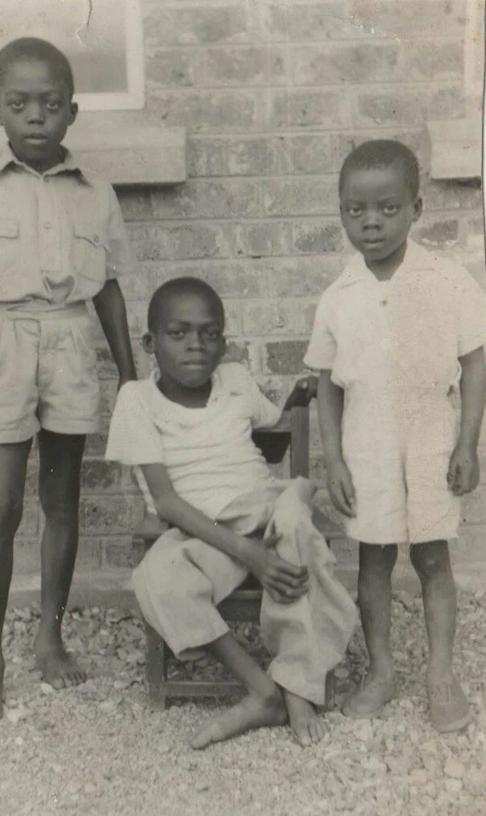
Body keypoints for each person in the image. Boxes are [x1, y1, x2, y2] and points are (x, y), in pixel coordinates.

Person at [0, 38, 137, 724]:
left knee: (62, 499)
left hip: (69, 343)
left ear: (72, 111)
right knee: (2, 507)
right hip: (1, 344)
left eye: (50, 104)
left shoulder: (96, 193)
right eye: (19, 104)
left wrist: (130, 376)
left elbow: (108, 291)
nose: (35, 116)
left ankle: (50, 636)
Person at [106, 277, 357, 750]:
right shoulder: (136, 400)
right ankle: (262, 691)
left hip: (263, 507)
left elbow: (273, 440)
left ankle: (296, 684)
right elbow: (166, 502)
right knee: (157, 578)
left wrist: (295, 401)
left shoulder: (236, 380)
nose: (195, 345)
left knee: (295, 521)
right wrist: (249, 554)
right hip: (203, 528)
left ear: (223, 343)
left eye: (209, 333)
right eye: (178, 333)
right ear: (150, 343)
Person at [305, 139, 486, 732]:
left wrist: (467, 443)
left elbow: (475, 362)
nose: (371, 223)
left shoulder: (448, 281)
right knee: (375, 557)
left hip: (431, 430)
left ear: (416, 209)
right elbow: (328, 384)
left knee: (433, 555)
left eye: (387, 208)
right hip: (367, 437)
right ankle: (381, 670)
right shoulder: (338, 297)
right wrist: (335, 460)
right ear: (341, 212)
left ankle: (441, 674)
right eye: (355, 210)